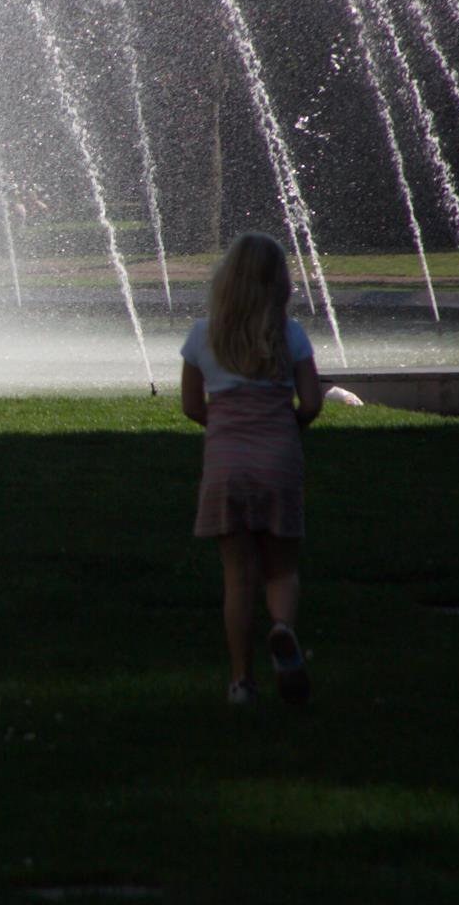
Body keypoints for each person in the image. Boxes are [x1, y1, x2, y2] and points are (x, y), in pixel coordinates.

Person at [179, 232, 323, 707]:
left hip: (226, 463)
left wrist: (220, 425)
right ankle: (282, 629)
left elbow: (191, 406)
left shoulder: (203, 335)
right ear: (277, 283)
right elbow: (312, 402)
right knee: (281, 568)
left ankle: (241, 681)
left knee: (237, 575)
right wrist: (292, 424)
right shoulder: (291, 334)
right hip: (278, 456)